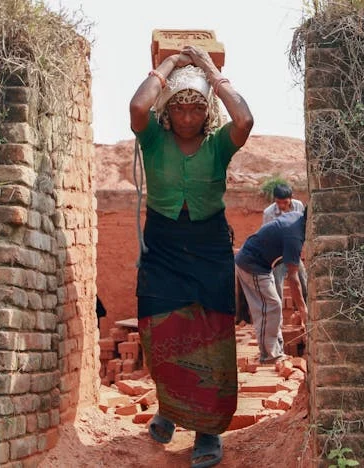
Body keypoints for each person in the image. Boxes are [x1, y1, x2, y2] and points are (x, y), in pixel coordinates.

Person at [129, 45, 253, 468]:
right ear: (168, 111)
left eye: (196, 108)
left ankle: (207, 431)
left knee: (212, 334)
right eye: (179, 108)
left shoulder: (219, 146)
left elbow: (245, 120)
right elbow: (138, 106)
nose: (187, 117)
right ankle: (170, 408)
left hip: (209, 248)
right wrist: (169, 64)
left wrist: (209, 71)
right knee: (159, 328)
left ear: (208, 111)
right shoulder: (152, 139)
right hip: (162, 246)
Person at [235, 209, 308, 364]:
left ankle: (276, 351)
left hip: (261, 264)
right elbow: (293, 278)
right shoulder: (294, 236)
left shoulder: (298, 219)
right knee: (269, 307)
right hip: (251, 264)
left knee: (273, 306)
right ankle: (269, 356)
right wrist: (303, 309)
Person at [262, 183, 308, 303]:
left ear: (291, 198)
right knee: (277, 286)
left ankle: (303, 309)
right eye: (278, 202)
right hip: (278, 256)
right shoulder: (268, 213)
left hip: (293, 253)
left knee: (303, 280)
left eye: (285, 202)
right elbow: (266, 236)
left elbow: (303, 228)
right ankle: (278, 314)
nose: (282, 205)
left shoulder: (298, 206)